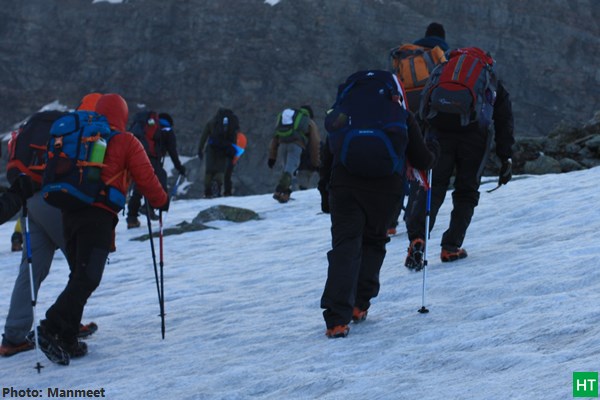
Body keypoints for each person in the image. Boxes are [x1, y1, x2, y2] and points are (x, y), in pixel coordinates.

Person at [36, 93, 168, 363]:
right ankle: (51, 326)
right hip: (97, 217)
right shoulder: (125, 140)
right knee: (88, 278)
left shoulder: (84, 138)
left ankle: (69, 337)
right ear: (122, 114)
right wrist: (161, 200)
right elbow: (145, 176)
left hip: (69, 214)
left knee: (80, 276)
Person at [319, 71, 439, 338]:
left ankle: (336, 319)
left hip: (345, 186)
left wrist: (324, 193)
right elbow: (422, 160)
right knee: (373, 242)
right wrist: (433, 153)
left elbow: (327, 152)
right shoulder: (400, 115)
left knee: (345, 247)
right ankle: (359, 305)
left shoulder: (342, 114)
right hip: (385, 190)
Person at [0, 94, 102, 358]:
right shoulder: (79, 128)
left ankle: (13, 336)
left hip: (29, 198)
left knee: (31, 269)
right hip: (53, 200)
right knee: (81, 264)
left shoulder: (46, 125)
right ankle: (66, 324)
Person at [404, 50, 515, 267]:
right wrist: (506, 156)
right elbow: (504, 119)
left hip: (438, 134)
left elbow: (423, 106)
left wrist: (418, 144)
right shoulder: (489, 77)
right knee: (466, 191)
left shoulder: (441, 70)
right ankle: (450, 247)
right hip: (475, 138)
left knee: (433, 187)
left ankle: (418, 238)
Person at [387, 22, 449, 236]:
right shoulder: (437, 52)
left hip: (403, 109)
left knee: (401, 161)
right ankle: (412, 215)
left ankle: (389, 221)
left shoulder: (406, 54)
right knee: (421, 160)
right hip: (427, 108)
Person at [126, 112, 185, 228]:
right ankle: (149, 207)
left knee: (138, 186)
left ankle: (132, 218)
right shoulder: (167, 130)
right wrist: (179, 167)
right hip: (152, 159)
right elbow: (172, 151)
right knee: (158, 181)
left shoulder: (146, 127)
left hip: (136, 156)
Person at [268, 106, 318, 203]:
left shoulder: (289, 119)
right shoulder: (308, 121)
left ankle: (285, 195)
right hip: (296, 146)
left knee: (287, 169)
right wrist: (315, 162)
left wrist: (272, 157)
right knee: (290, 170)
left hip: (282, 144)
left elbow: (274, 139)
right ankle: (279, 191)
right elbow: (315, 144)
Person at [197, 108, 240, 198]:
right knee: (220, 170)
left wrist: (200, 149)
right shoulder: (231, 123)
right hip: (224, 149)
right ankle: (218, 189)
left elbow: (204, 136)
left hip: (211, 148)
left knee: (209, 170)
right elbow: (234, 139)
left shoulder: (212, 122)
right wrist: (232, 152)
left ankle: (208, 191)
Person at [295, 105, 321, 190]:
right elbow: (316, 142)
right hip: (313, 159)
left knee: (303, 187)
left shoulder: (295, 126)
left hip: (301, 163)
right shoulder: (311, 124)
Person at [223, 131, 247, 196]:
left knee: (226, 174)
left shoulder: (234, 136)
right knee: (228, 174)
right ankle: (228, 191)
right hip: (236, 153)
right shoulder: (242, 136)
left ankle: (227, 191)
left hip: (232, 153)